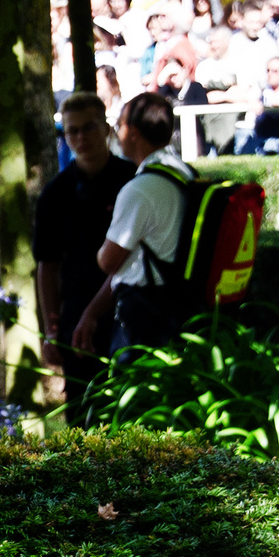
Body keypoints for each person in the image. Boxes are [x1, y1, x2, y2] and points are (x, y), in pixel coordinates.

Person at [34, 93, 138, 420]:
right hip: (76, 318)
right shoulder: (55, 193)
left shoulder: (133, 180)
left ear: (107, 129)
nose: (81, 138)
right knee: (83, 417)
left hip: (128, 309)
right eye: (72, 131)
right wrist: (51, 329)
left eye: (89, 128)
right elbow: (46, 265)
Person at [75, 92, 196, 362]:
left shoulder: (140, 189)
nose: (117, 132)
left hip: (145, 316)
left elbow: (108, 261)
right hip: (176, 303)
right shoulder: (182, 171)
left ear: (134, 133)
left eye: (120, 124)